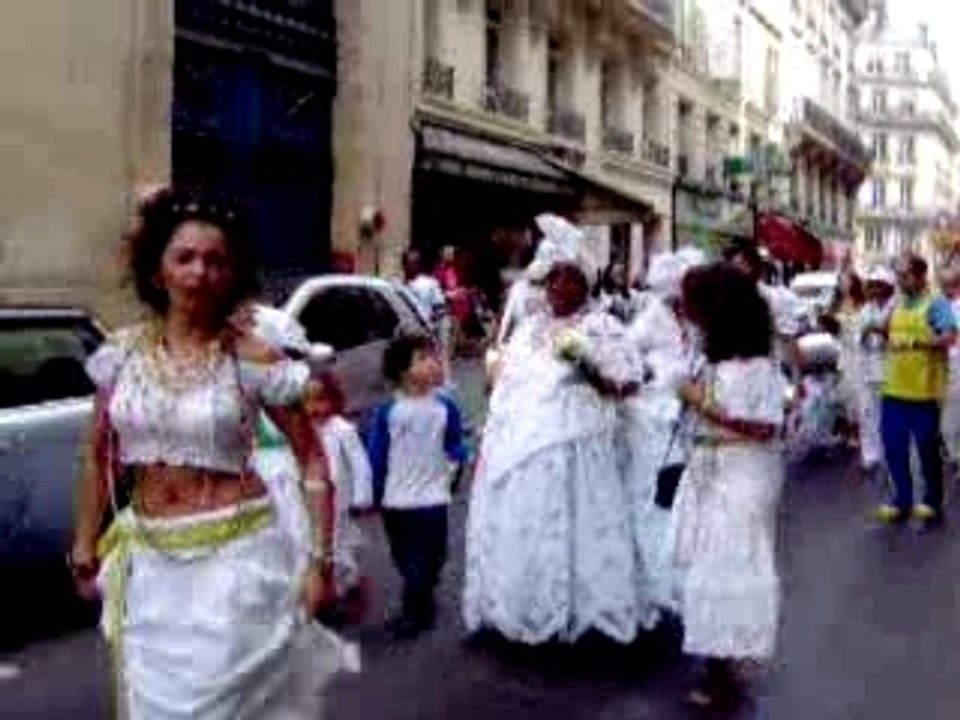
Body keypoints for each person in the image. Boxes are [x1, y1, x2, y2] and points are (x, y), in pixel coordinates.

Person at [71, 187, 354, 718]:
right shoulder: (120, 356)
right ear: (157, 271)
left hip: (235, 560)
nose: (200, 273)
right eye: (185, 258)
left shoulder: (254, 358)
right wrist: (84, 540)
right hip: (150, 563)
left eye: (216, 261)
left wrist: (320, 563)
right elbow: (97, 454)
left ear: (233, 275)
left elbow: (312, 459)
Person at [463, 216, 654, 645]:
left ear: (586, 284)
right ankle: (522, 606)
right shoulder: (529, 328)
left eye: (570, 279)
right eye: (553, 280)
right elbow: (508, 384)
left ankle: (580, 611)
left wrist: (589, 368)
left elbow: (627, 385)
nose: (558, 288)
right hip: (521, 441)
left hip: (577, 440)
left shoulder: (602, 327)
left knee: (576, 524)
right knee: (522, 520)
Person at [672, 262, 787, 708]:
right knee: (710, 568)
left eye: (694, 303)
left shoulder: (757, 365)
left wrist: (699, 400)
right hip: (711, 467)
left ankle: (722, 670)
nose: (687, 311)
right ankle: (720, 661)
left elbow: (763, 428)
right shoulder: (712, 356)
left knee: (730, 568)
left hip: (742, 473)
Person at [365, 334, 468, 638]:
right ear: (401, 371)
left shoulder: (445, 407)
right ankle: (417, 605)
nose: (434, 363)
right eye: (423, 358)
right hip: (396, 500)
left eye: (434, 357)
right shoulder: (388, 412)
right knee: (405, 556)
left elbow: (453, 443)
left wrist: (462, 460)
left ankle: (417, 605)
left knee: (433, 555)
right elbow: (377, 455)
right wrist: (374, 491)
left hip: (433, 497)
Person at [622, 248, 705, 615]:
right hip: (655, 414)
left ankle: (682, 567)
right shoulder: (652, 318)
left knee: (686, 491)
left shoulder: (697, 323)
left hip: (690, 412)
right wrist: (652, 375)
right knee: (660, 490)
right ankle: (658, 575)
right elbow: (628, 355)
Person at [876, 254, 957, 526]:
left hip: (924, 393)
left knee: (926, 449)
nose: (899, 281)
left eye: (905, 276)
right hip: (894, 389)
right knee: (893, 447)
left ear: (921, 276)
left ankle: (932, 500)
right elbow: (886, 330)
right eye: (898, 275)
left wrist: (917, 342)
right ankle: (901, 499)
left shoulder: (937, 303)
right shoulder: (896, 302)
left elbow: (949, 336)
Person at [305, 372, 374, 622]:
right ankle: (324, 596)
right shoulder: (300, 431)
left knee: (338, 547)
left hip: (339, 501)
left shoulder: (342, 430)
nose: (314, 408)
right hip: (311, 499)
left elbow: (359, 463)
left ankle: (346, 587)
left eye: (321, 400)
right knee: (315, 548)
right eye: (307, 401)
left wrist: (362, 495)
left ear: (333, 399)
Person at [854, 266, 896, 478]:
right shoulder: (865, 309)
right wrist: (865, 333)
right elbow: (858, 338)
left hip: (890, 369)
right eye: (871, 285)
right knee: (867, 413)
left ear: (888, 287)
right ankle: (870, 456)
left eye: (878, 285)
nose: (874, 290)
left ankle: (892, 457)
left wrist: (879, 330)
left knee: (890, 417)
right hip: (867, 368)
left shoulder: (896, 307)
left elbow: (898, 338)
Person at [403, 248, 451, 377]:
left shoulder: (429, 283)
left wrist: (431, 328)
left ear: (419, 264)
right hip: (409, 336)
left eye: (414, 262)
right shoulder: (400, 285)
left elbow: (441, 309)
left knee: (435, 366)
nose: (410, 266)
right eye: (407, 262)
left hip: (428, 333)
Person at [939, 265, 960, 470]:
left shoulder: (954, 307)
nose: (944, 288)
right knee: (948, 422)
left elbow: (949, 339)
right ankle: (954, 455)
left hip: (956, 366)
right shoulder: (945, 305)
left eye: (947, 284)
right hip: (946, 368)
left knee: (950, 422)